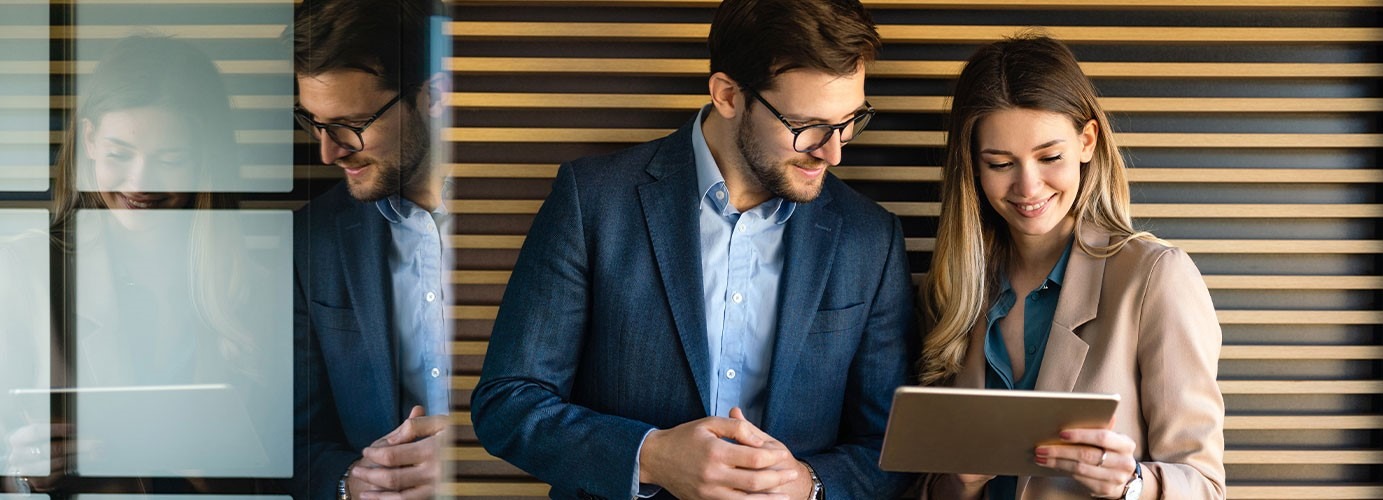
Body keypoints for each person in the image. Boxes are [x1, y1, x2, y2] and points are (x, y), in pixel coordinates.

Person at [472, 0, 916, 498]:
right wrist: (652, 456)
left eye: (850, 120)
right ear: (727, 95)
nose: (833, 152)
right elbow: (508, 403)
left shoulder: (870, 238)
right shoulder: (592, 201)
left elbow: (890, 447)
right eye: (805, 125)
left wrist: (808, 484)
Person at [916, 34, 1225, 500]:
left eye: (1050, 157)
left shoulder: (1155, 278)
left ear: (1086, 141)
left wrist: (1132, 485)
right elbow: (924, 480)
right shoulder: (952, 290)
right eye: (1000, 163)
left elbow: (1205, 486)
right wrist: (958, 484)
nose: (1028, 187)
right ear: (973, 165)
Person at [2, 35, 279, 490]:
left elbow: (293, 456)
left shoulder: (256, 286)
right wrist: (24, 478)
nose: (140, 182)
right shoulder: (22, 270)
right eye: (119, 154)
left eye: (171, 159)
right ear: (89, 140)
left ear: (204, 158)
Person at [289, 0, 453, 499]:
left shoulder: (546, 213)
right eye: (313, 122)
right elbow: (292, 439)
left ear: (433, 97)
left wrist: (481, 457)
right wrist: (351, 483)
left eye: (352, 124)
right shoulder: (311, 239)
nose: (329, 151)